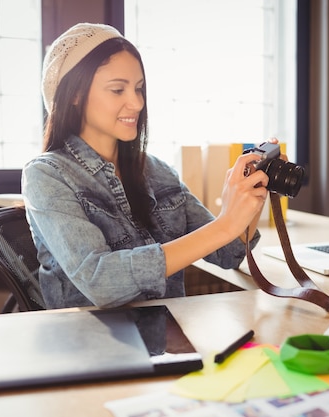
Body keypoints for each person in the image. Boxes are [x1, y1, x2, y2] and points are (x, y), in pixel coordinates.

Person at [22, 23, 277, 309]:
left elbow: (228, 253)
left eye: (139, 88)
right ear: (74, 95)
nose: (136, 102)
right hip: (90, 346)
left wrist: (250, 194)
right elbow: (100, 282)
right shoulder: (46, 175)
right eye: (117, 90)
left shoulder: (158, 172)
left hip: (165, 342)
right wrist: (225, 224)